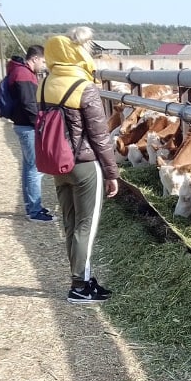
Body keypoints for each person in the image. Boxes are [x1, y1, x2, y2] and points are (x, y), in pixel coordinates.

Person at [38, 33, 119, 304]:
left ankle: (83, 278)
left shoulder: (45, 83)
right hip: (85, 166)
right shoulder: (84, 87)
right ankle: (80, 286)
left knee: (71, 224)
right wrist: (111, 173)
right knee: (86, 226)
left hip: (58, 164)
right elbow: (100, 136)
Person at [1, 45, 53, 222]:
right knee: (35, 168)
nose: (44, 65)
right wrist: (40, 124)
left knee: (28, 166)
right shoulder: (24, 75)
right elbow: (28, 104)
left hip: (22, 124)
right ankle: (34, 210)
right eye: (43, 61)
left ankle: (30, 205)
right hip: (28, 126)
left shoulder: (18, 71)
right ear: (35, 58)